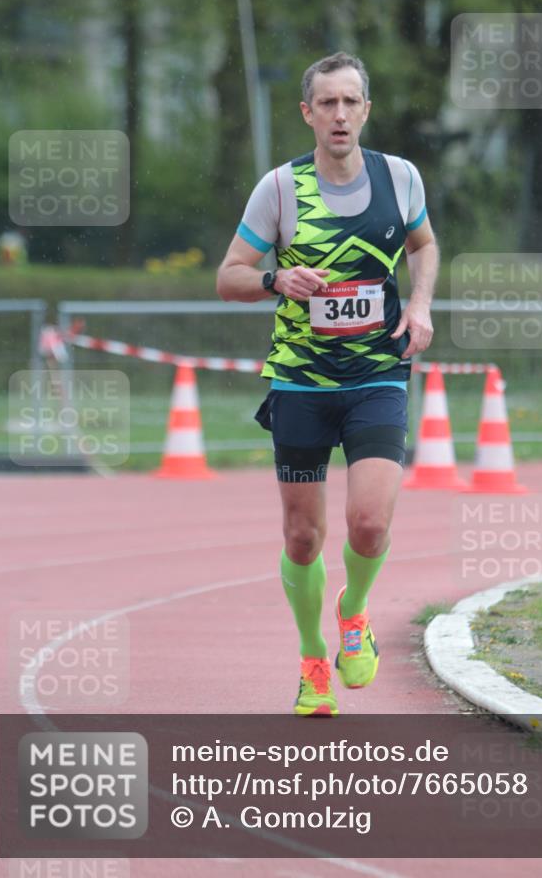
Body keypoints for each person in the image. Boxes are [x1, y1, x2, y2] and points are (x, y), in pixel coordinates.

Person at [217, 52, 438, 716]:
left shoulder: (398, 178)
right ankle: (314, 658)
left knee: (368, 523)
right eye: (327, 103)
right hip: (301, 383)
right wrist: (273, 279)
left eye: (350, 102)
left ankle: (354, 610)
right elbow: (228, 275)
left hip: (377, 374)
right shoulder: (279, 190)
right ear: (307, 113)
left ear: (365, 110)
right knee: (302, 538)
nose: (339, 114)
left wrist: (421, 305)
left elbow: (424, 246)